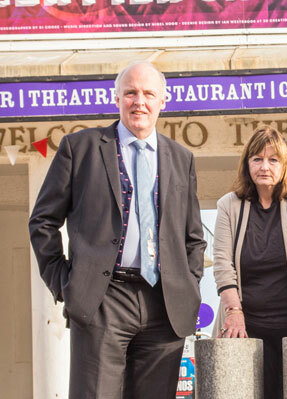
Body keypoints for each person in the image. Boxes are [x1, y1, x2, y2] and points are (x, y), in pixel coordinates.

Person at [28, 61, 207, 399]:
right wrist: (63, 283)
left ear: (163, 101)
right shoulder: (79, 148)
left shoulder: (181, 158)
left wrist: (190, 282)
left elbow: (193, 236)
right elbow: (42, 221)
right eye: (131, 93)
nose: (139, 101)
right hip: (102, 299)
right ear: (117, 98)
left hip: (164, 304)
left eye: (148, 94)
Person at [212, 125, 287, 399]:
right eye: (257, 159)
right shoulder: (227, 205)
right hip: (246, 327)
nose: (264, 166)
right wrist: (233, 311)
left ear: (285, 164)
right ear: (247, 166)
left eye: (273, 159)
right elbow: (222, 264)